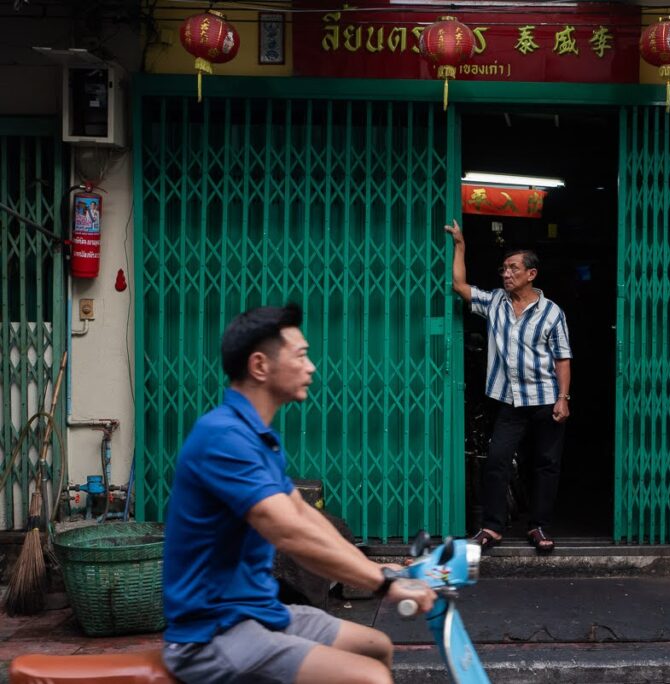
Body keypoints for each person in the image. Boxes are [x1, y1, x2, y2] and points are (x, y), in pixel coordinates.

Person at [161, 304, 435, 684]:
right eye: (301, 356)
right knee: (369, 678)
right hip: (214, 632)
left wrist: (382, 570)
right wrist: (383, 583)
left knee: (376, 645)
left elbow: (306, 518)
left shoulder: (259, 438)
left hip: (261, 612)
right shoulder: (223, 436)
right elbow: (287, 530)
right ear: (260, 366)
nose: (312, 367)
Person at [444, 219, 572, 554]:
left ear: (531, 274)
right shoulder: (496, 303)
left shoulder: (552, 313)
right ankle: (492, 527)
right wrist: (460, 244)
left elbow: (563, 358)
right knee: (497, 460)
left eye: (513, 268)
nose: (506, 274)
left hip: (545, 399)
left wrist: (563, 398)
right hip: (510, 401)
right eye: (503, 268)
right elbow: (459, 285)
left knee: (545, 464)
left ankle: (538, 525)